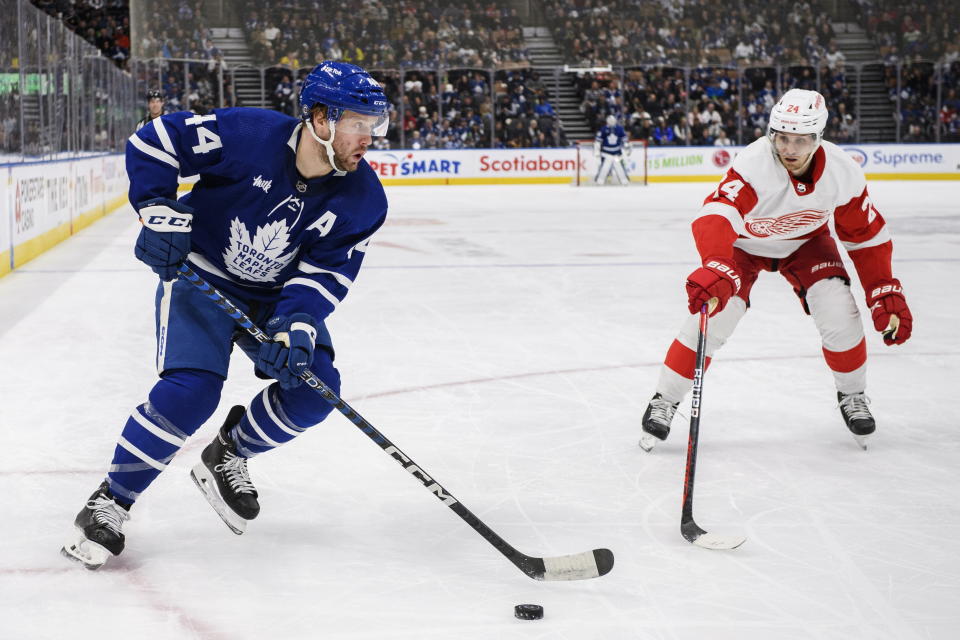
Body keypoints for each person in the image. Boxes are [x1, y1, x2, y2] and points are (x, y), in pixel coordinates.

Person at [61, 61, 391, 570]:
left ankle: (229, 453)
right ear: (321, 118)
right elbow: (155, 140)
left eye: (375, 126)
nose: (369, 138)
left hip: (274, 297)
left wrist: (296, 324)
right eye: (359, 124)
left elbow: (325, 274)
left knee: (315, 386)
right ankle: (111, 500)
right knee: (190, 391)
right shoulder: (248, 133)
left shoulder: (363, 199)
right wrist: (159, 211)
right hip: (203, 275)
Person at [637, 89, 913, 452]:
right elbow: (716, 215)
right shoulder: (754, 163)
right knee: (717, 316)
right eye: (783, 138)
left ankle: (853, 395)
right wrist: (716, 263)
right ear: (772, 134)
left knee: (838, 309)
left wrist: (883, 289)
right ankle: (665, 399)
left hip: (806, 243)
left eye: (801, 140)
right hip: (744, 245)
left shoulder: (842, 172)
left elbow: (865, 236)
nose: (790, 149)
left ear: (819, 138)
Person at [593, 115, 631, 185]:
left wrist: (627, 148)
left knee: (620, 168)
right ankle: (599, 180)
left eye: (613, 121)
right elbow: (598, 142)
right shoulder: (603, 129)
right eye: (610, 121)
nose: (612, 122)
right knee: (604, 168)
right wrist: (596, 151)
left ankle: (624, 180)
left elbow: (625, 140)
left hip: (617, 153)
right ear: (607, 121)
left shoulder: (619, 129)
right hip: (606, 153)